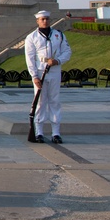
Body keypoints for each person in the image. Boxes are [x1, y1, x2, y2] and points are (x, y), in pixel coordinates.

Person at [24, 10, 72, 144]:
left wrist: (58, 61)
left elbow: (67, 51)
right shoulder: (32, 37)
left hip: (55, 71)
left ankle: (55, 132)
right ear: (37, 21)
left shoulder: (58, 35)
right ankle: (38, 131)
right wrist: (34, 76)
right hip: (40, 72)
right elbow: (30, 59)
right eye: (42, 19)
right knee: (40, 102)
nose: (45, 21)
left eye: (47, 19)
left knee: (54, 101)